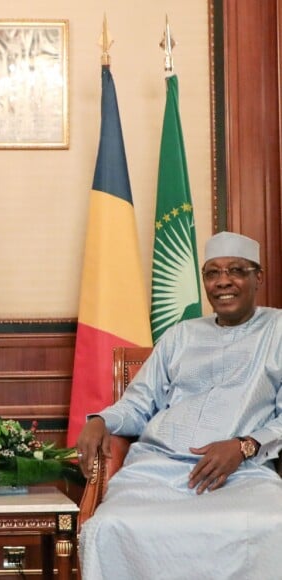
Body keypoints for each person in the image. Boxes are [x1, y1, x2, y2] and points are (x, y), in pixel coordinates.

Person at [76, 231, 282, 579]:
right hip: (158, 469)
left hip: (242, 474)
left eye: (236, 270)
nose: (223, 282)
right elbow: (139, 403)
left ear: (257, 277)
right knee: (109, 526)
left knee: (271, 525)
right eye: (213, 273)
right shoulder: (180, 335)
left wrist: (243, 446)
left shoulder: (277, 329)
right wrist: (101, 420)